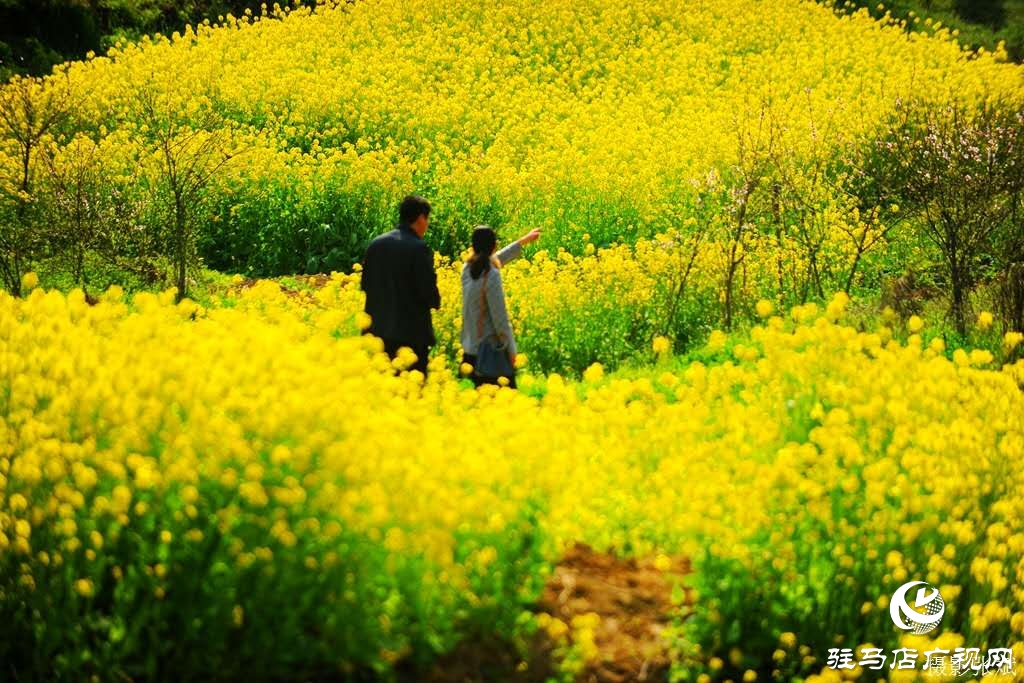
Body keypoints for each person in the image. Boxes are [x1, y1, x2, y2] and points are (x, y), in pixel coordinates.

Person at [360, 195, 441, 376]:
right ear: (420, 218)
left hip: (376, 335)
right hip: (410, 338)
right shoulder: (419, 249)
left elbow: (365, 285)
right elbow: (428, 293)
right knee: (410, 392)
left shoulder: (376, 244)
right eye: (427, 219)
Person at [461, 225, 540, 388]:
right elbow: (500, 319)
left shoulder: (467, 269)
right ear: (494, 245)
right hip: (490, 353)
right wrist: (511, 351)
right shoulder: (491, 275)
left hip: (470, 351)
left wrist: (522, 241)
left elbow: (492, 260)